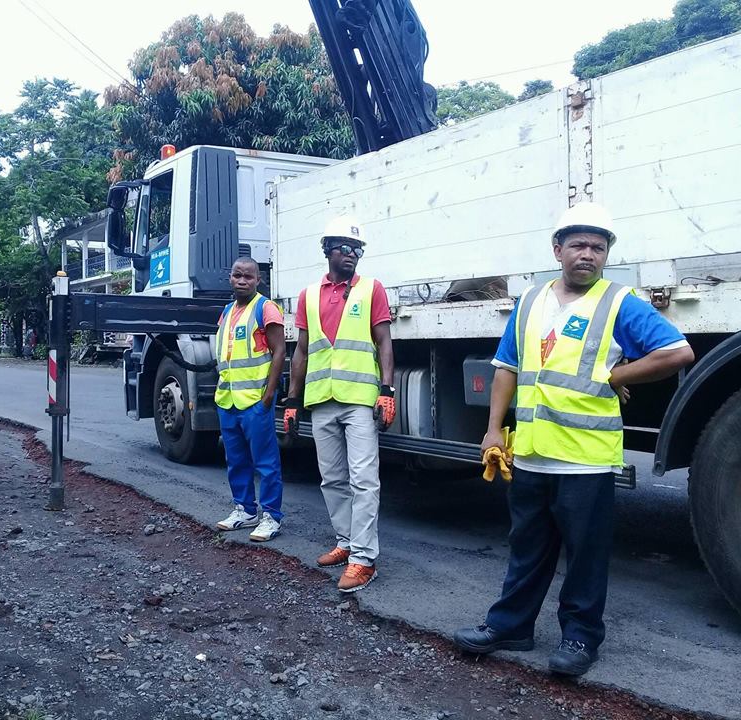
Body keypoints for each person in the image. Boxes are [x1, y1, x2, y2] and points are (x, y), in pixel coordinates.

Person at [453, 202, 695, 676]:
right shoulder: (530, 302)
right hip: (532, 456)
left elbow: (677, 351)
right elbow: (507, 368)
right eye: (579, 245)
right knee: (526, 548)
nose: (588, 254)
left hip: (585, 460)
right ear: (558, 249)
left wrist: (619, 372)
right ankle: (511, 627)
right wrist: (492, 430)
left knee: (586, 556)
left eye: (598, 247)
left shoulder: (618, 302)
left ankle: (580, 638)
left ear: (607, 255)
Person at [283, 216, 395, 593]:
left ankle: (364, 560)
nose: (351, 255)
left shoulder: (371, 289)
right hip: (321, 400)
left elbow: (384, 342)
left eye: (357, 249)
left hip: (360, 400)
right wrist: (292, 401)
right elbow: (301, 351)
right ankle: (346, 544)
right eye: (344, 248)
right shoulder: (308, 295)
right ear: (328, 250)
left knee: (364, 480)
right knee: (332, 478)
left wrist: (387, 390)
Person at [214, 257, 287, 542]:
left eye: (248, 277)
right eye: (237, 276)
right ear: (230, 278)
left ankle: (271, 516)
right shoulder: (226, 311)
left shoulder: (265, 308)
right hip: (229, 400)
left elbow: (279, 351)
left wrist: (268, 395)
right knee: (236, 460)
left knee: (266, 462)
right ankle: (244, 510)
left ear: (258, 280)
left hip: (256, 401)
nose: (242, 281)